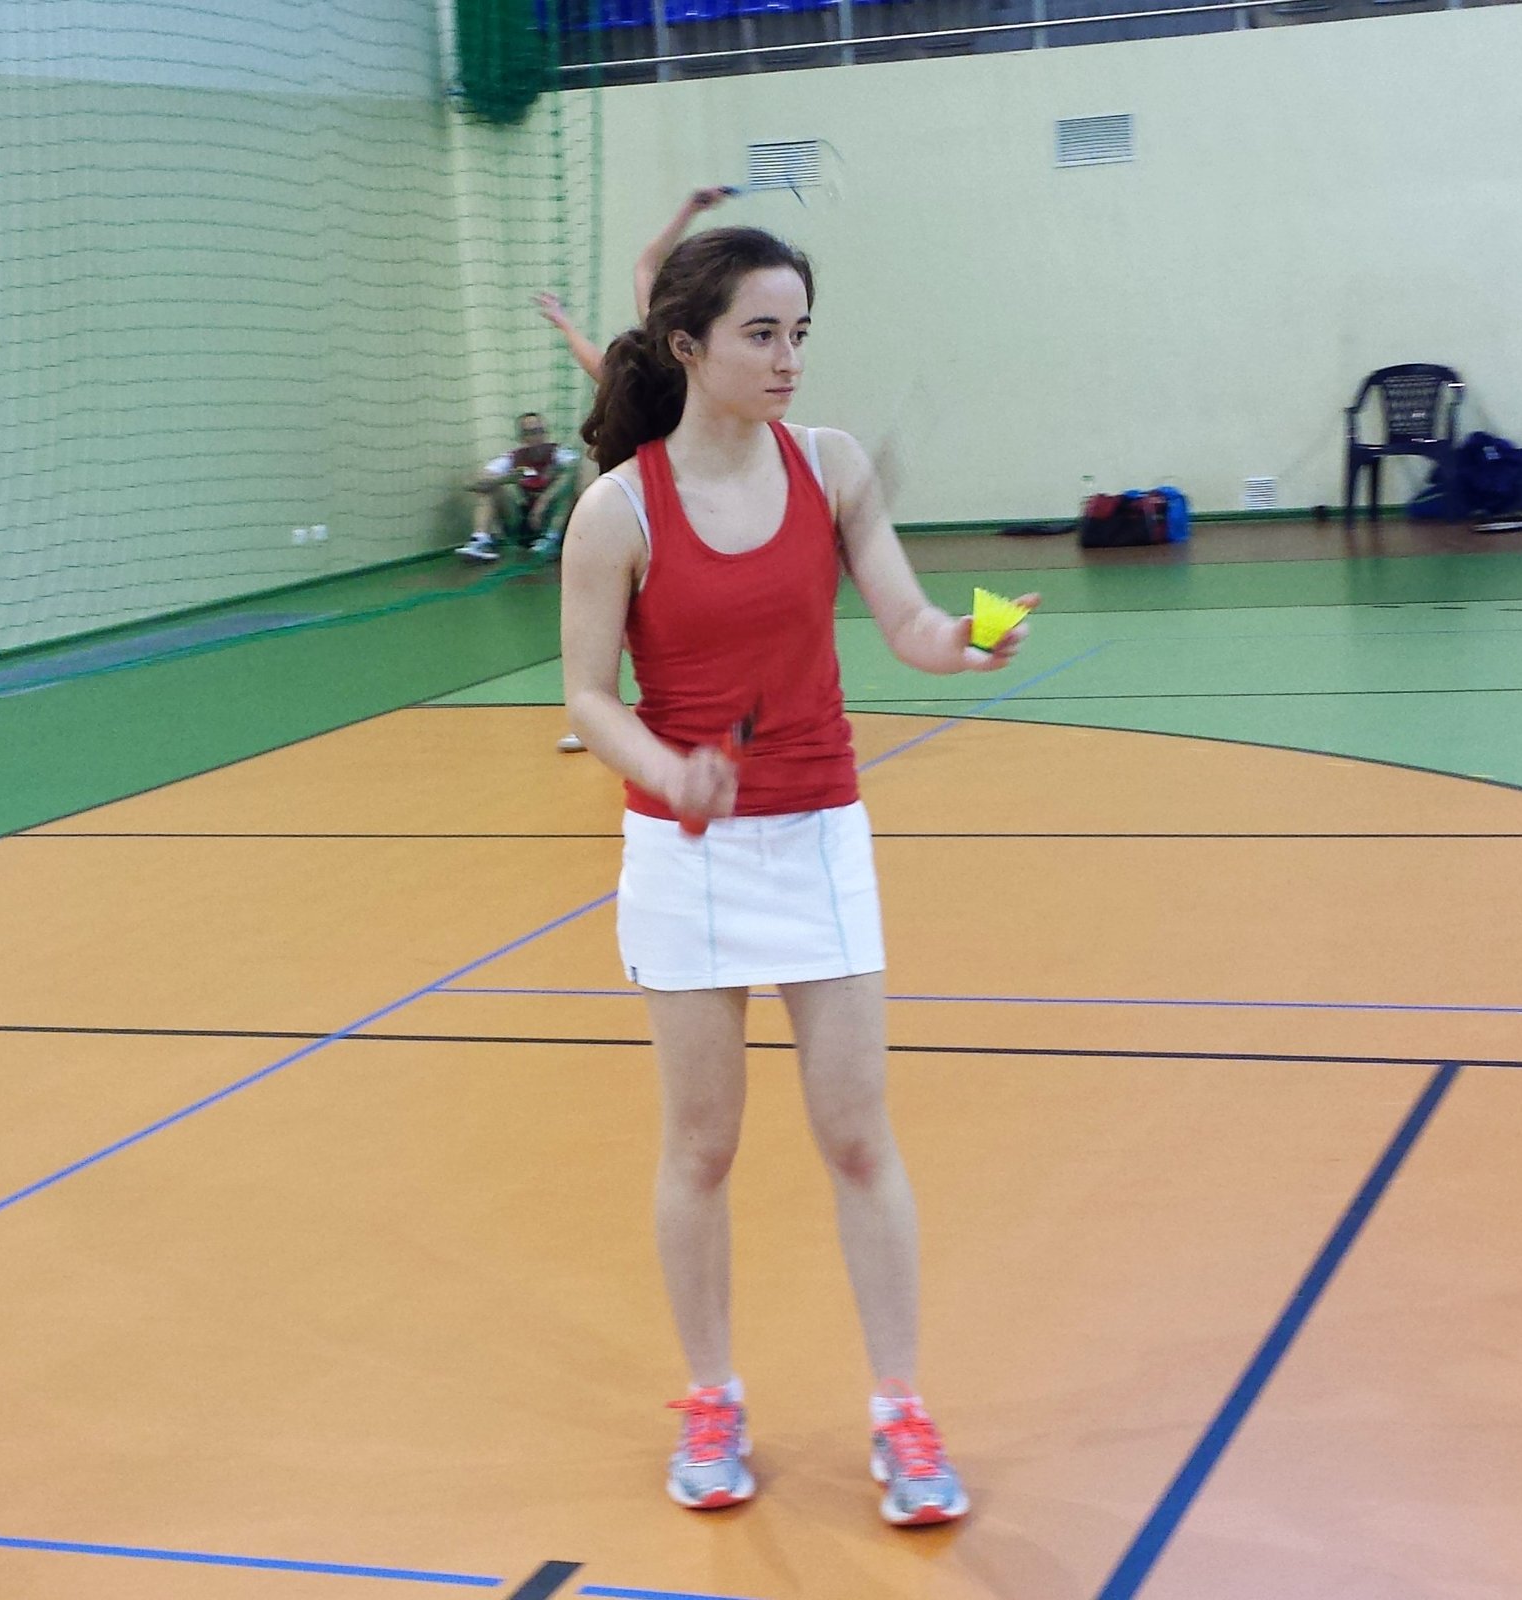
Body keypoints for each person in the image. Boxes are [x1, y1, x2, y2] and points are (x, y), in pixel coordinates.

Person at [559, 225, 1037, 1526]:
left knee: (856, 1136)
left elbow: (910, 625)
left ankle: (901, 1412)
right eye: (762, 334)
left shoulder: (829, 468)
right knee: (702, 1145)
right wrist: (667, 769)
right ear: (688, 345)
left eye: (800, 335)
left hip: (818, 834)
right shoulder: (618, 512)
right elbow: (587, 697)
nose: (788, 360)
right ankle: (711, 1397)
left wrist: (967, 641)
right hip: (687, 853)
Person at [538, 185, 737, 752]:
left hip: (690, 489)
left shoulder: (685, 357)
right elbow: (644, 268)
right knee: (628, 613)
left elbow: (646, 264)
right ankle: (606, 712)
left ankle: (646, 709)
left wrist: (691, 209)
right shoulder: (647, 361)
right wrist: (690, 209)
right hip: (649, 498)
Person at [456, 412, 574, 562]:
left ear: (546, 433)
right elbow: (469, 483)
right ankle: (480, 541)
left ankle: (552, 539)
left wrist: (544, 501)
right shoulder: (513, 458)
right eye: (529, 433)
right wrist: (506, 479)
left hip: (554, 519)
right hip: (524, 523)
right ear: (521, 437)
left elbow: (574, 472)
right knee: (489, 487)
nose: (535, 437)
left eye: (539, 431)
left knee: (571, 481)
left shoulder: (560, 454)